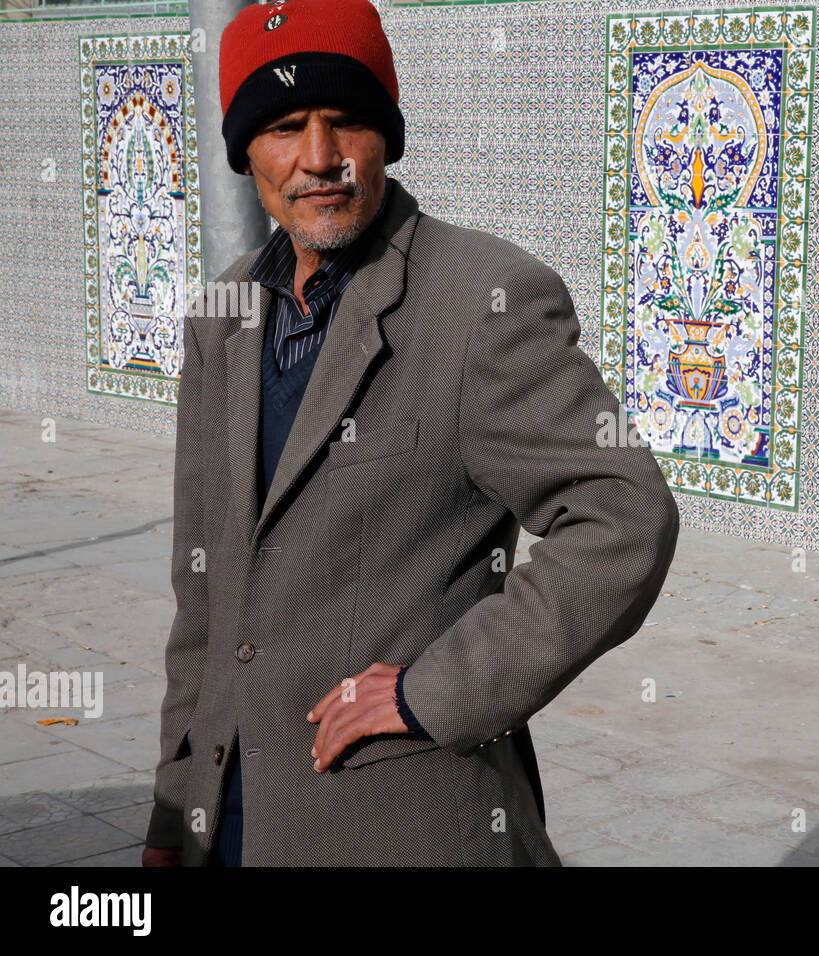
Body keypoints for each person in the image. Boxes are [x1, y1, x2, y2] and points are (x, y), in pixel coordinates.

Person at [142, 0, 679, 866]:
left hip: (401, 820)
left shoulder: (483, 301)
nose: (319, 159)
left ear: (386, 136)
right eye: (283, 128)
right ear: (247, 152)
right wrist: (175, 805)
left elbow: (627, 513)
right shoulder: (222, 317)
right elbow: (202, 598)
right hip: (233, 818)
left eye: (345, 121)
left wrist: (440, 690)